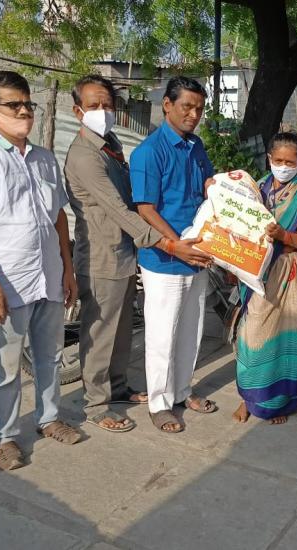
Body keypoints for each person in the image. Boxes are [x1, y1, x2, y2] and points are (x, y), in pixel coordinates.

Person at [0, 70, 82, 471]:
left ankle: (48, 419)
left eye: (28, 103)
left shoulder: (45, 159)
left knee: (50, 357)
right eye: (15, 105)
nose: (25, 111)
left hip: (48, 276)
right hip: (7, 283)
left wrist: (67, 268)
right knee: (7, 367)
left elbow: (59, 216)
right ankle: (5, 437)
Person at [64, 75, 196, 433]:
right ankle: (97, 403)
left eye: (107, 105)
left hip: (124, 253)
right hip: (101, 256)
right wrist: (165, 242)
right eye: (94, 106)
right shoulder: (84, 156)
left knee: (122, 329)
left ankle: (118, 388)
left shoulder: (110, 144)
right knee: (101, 331)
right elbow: (121, 210)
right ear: (78, 111)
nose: (103, 111)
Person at [131, 76, 217, 434]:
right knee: (163, 334)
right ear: (167, 105)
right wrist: (174, 243)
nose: (193, 115)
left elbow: (208, 186)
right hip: (165, 259)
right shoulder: (149, 151)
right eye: (187, 107)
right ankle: (159, 403)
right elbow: (145, 208)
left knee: (191, 331)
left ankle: (182, 392)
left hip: (197, 254)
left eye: (199, 108)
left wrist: (225, 187)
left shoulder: (196, 147)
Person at [232, 132, 297, 425]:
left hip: (289, 273)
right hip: (256, 271)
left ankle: (279, 401)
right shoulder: (255, 188)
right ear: (269, 159)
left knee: (284, 339)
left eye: (290, 161)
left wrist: (284, 236)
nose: (283, 166)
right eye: (278, 160)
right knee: (252, 334)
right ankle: (250, 397)